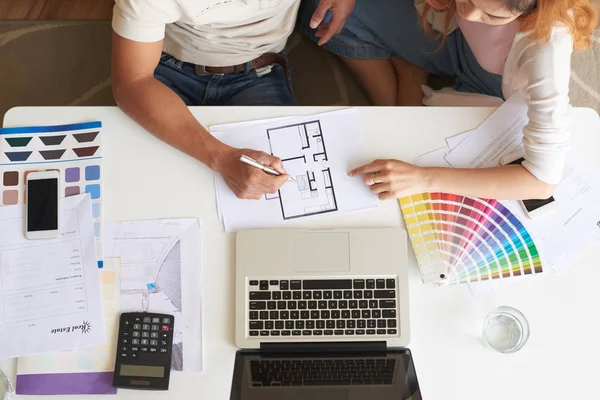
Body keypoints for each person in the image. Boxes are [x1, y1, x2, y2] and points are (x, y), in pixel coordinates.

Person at [300, 0, 596, 201]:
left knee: (418, 152)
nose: (469, 15)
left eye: (492, 15)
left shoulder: (548, 43)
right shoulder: (463, 14)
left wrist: (424, 179)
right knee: (321, 12)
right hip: (449, 35)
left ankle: (408, 76)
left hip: (492, 88)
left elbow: (542, 181)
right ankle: (407, 83)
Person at [111, 0, 355, 199]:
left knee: (276, 184)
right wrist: (222, 158)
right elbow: (134, 82)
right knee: (140, 187)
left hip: (259, 69)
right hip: (169, 65)